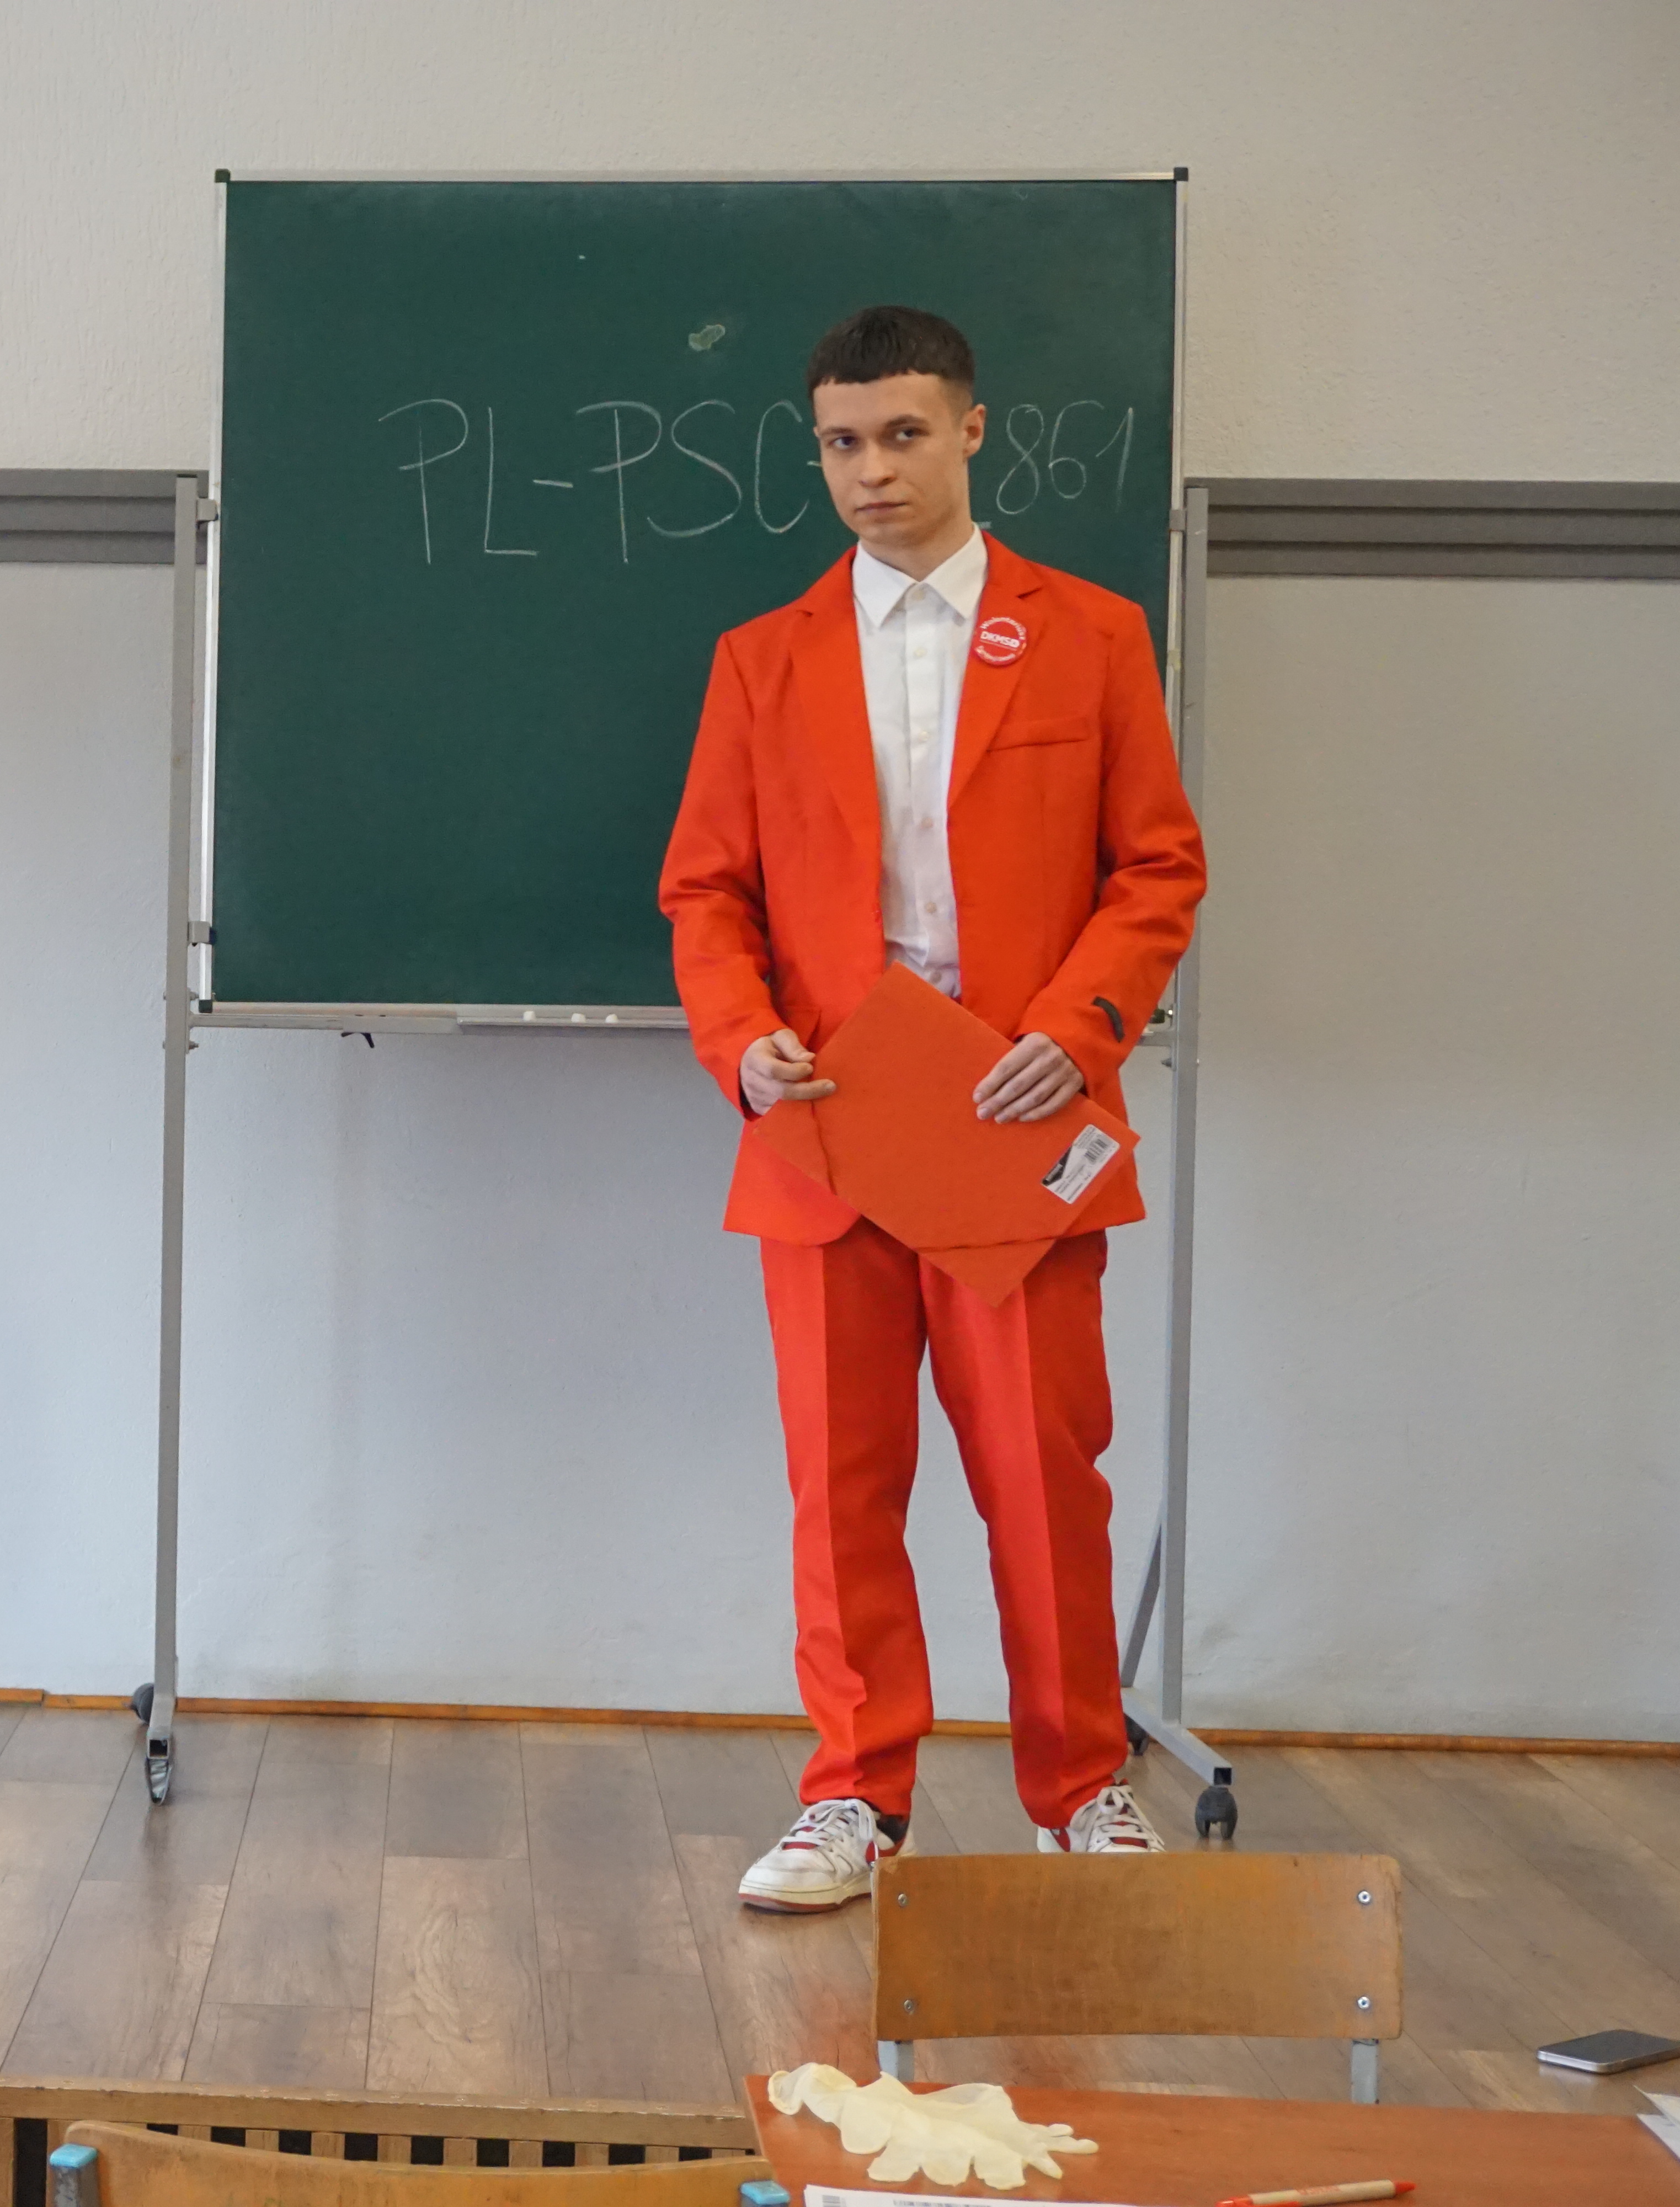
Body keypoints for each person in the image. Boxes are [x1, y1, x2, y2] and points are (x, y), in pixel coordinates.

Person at [658, 305, 1206, 1909]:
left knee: (1044, 1474)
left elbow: (1156, 866)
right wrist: (742, 1041)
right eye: (842, 442)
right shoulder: (761, 660)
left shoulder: (1092, 635)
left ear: (971, 430)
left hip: (1014, 1112)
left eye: (903, 434)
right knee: (840, 1484)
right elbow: (706, 889)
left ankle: (1082, 1790)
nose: (872, 470)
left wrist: (1080, 1027)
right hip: (831, 1117)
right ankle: (851, 1796)